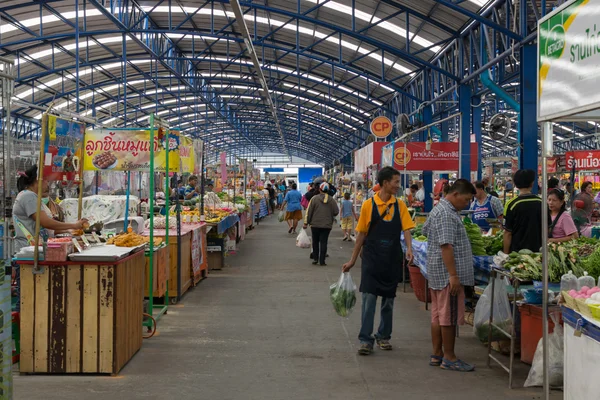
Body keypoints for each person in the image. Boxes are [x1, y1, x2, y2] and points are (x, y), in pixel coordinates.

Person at [342, 167, 415, 356]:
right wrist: (352, 260)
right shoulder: (368, 205)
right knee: (369, 300)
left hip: (392, 258)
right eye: (396, 182)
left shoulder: (399, 205)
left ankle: (384, 336)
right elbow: (360, 235)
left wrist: (409, 249)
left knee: (388, 301)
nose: (398, 186)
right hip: (372, 259)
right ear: (385, 183)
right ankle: (365, 340)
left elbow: (406, 229)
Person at [13, 166, 88, 309]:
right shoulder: (28, 196)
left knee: (34, 296)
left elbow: (45, 227)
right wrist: (73, 225)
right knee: (26, 298)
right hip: (28, 254)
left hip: (36, 251)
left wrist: (70, 231)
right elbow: (45, 222)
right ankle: (22, 328)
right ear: (37, 180)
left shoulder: (35, 197)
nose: (49, 185)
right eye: (47, 181)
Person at [422, 179, 476, 372]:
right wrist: (453, 275)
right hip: (447, 275)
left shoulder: (439, 209)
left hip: (437, 272)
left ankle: (437, 354)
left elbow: (425, 230)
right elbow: (446, 246)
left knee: (438, 316)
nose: (467, 203)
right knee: (449, 317)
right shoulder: (446, 214)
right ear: (455, 195)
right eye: (466, 199)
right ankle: (450, 357)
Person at [503, 169, 542, 254]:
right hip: (539, 253)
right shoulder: (541, 203)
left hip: (517, 254)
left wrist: (505, 255)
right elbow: (547, 229)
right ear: (532, 183)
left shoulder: (511, 204)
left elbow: (507, 233)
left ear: (516, 184)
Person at [304, 182, 339, 266]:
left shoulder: (314, 199)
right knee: (324, 242)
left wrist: (306, 222)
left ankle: (315, 259)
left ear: (319, 189)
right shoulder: (331, 200)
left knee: (315, 242)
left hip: (315, 224)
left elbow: (309, 212)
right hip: (327, 225)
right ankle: (322, 261)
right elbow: (336, 212)